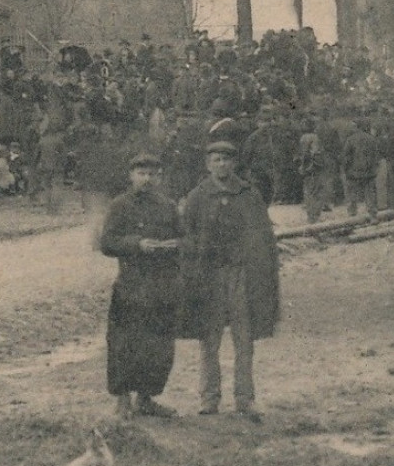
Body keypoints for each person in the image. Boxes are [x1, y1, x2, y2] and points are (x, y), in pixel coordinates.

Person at [178, 141, 281, 421]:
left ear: (234, 163)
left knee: (243, 339)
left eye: (226, 159)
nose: (221, 164)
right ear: (207, 164)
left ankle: (245, 399)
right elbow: (186, 236)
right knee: (209, 340)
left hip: (241, 276)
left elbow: (262, 237)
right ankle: (209, 398)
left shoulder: (248, 195)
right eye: (216, 159)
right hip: (210, 277)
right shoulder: (198, 197)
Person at [99, 152, 185, 417]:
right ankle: (123, 398)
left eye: (151, 174)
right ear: (131, 176)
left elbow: (184, 238)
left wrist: (176, 244)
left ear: (158, 177)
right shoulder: (120, 205)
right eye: (141, 174)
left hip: (162, 285)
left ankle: (147, 398)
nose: (146, 179)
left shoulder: (167, 206)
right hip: (131, 285)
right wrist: (136, 244)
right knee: (124, 342)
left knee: (158, 345)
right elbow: (107, 243)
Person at [341, 117, 380, 218]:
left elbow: (346, 156)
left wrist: (345, 170)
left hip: (354, 172)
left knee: (351, 194)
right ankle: (372, 214)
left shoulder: (350, 139)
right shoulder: (371, 139)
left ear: (357, 127)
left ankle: (352, 214)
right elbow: (376, 156)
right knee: (370, 193)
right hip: (369, 172)